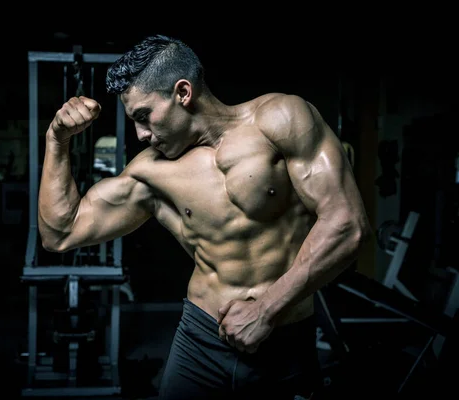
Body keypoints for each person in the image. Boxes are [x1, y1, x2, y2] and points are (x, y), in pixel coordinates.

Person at [38, 34, 372, 399]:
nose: (141, 134)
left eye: (144, 116)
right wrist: (57, 140)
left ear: (183, 93)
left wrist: (266, 310)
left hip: (284, 340)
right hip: (199, 343)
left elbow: (348, 225)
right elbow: (60, 233)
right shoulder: (151, 173)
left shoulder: (281, 120)